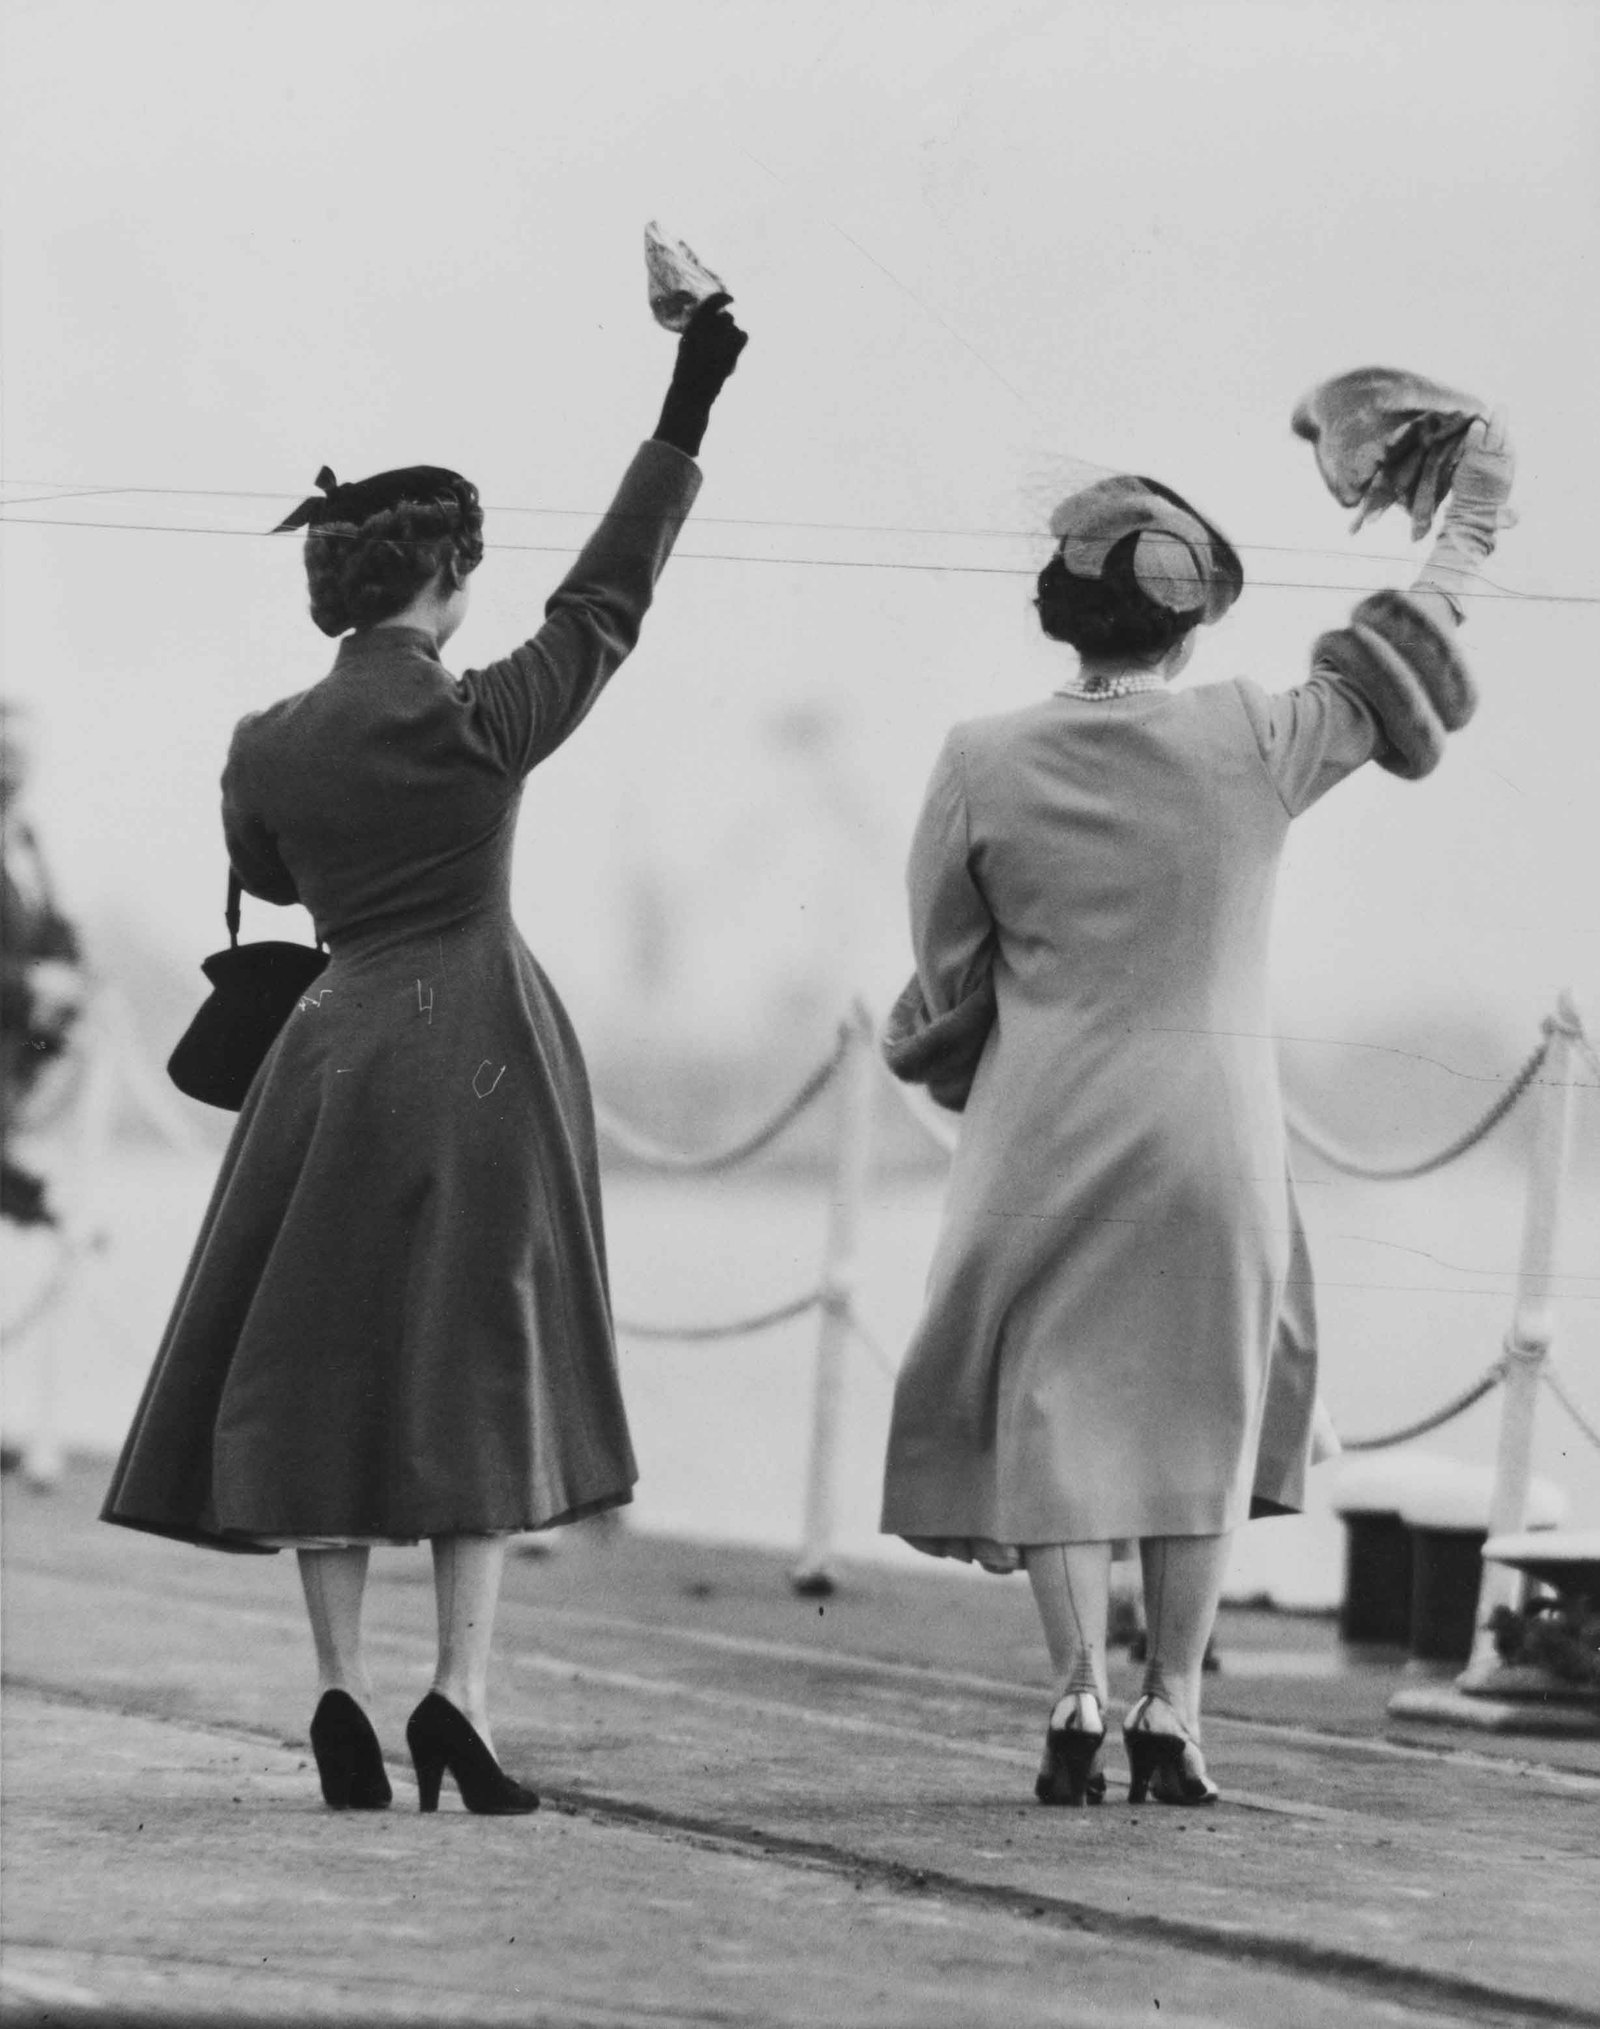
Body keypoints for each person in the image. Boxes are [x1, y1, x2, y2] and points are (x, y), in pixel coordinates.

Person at [101, 287, 748, 1815]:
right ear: (449, 579)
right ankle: (459, 1692)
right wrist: (689, 396)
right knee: (477, 1371)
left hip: (328, 1059)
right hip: (482, 1054)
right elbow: (609, 602)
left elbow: (263, 870)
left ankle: (338, 1690)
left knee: (319, 1360)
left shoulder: (264, 740)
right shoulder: (483, 720)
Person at [880, 418, 1514, 1807]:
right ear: (1191, 614)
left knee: (1050, 1411)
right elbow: (1412, 637)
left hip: (1041, 1132)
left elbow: (945, 978)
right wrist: (1473, 507)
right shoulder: (1254, 735)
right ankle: (1175, 1704)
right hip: (1212, 1135)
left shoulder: (979, 755)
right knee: (1198, 1414)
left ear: (1068, 613)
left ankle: (1074, 1688)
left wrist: (967, 1047)